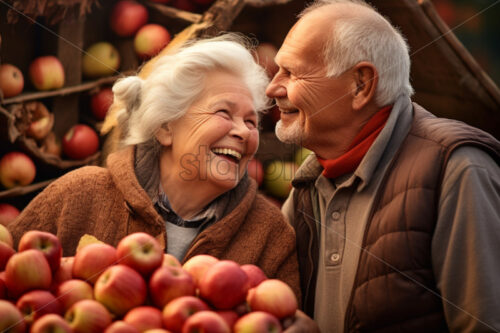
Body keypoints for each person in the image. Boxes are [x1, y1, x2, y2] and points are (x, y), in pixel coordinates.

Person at [266, 0, 500, 332]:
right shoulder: (310, 184)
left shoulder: (456, 169)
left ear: (360, 84)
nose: (272, 87)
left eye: (291, 72)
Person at [8, 34, 301, 300]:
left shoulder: (271, 236)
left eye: (251, 122)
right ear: (165, 128)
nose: (243, 132)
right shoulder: (77, 195)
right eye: (224, 112)